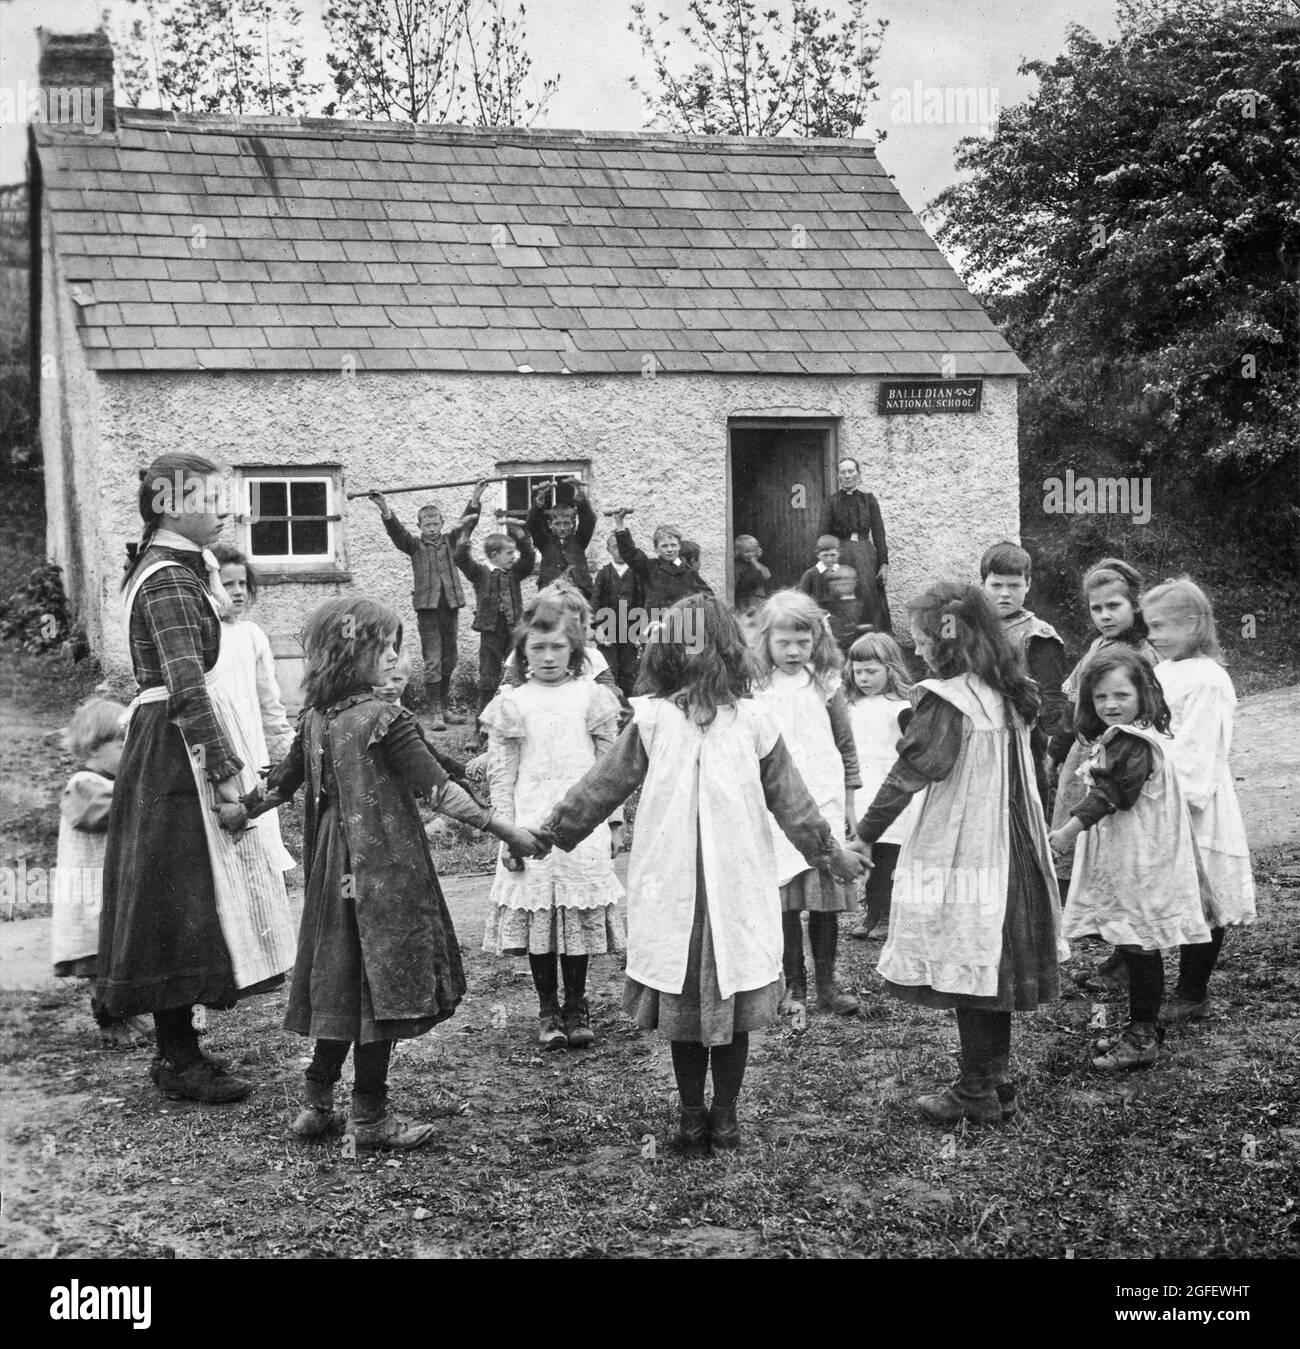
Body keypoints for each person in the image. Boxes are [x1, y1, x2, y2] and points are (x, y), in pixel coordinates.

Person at [522, 596, 866, 1156]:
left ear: (725, 650)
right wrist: (550, 832)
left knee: (733, 1010)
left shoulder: (754, 720)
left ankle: (725, 1115)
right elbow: (601, 786)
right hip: (673, 885)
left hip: (738, 886)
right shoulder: (653, 719)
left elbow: (794, 804)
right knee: (685, 1013)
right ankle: (689, 1115)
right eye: (682, 642)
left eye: (702, 642)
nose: (693, 653)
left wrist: (832, 853)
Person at [238, 597, 537, 1149]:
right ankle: (371, 1117)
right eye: (387, 649)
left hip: (332, 872)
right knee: (381, 985)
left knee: (340, 975)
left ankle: (316, 1102)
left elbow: (280, 785)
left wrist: (238, 811)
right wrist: (507, 831)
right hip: (386, 868)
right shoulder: (384, 718)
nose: (399, 661)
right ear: (352, 654)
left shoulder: (317, 719)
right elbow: (441, 793)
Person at [100, 453, 296, 1104]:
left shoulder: (177, 572)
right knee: (177, 894)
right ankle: (177, 1058)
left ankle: (179, 1048)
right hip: (174, 748)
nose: (224, 510)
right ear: (169, 504)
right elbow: (186, 688)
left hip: (173, 742)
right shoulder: (165, 580)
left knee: (182, 893)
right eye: (210, 499)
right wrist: (227, 776)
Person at [855, 582, 1065, 1125]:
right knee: (991, 966)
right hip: (1016, 848)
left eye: (923, 640)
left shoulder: (950, 703)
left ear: (947, 644)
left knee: (972, 963)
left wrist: (865, 833)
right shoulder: (1010, 691)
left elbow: (910, 773)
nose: (918, 650)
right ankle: (995, 1079)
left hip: (974, 848)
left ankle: (975, 1090)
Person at [1048, 648, 1212, 1070]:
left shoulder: (1132, 743)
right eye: (1101, 698)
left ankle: (1142, 1036)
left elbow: (1111, 794)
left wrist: (1068, 831)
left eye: (1121, 695)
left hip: (1141, 857)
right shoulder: (1119, 736)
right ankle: (1141, 1028)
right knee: (1132, 938)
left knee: (1139, 943)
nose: (1110, 705)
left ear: (1144, 694)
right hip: (1131, 853)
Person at [481, 598, 625, 1050]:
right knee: (540, 914)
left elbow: (611, 771)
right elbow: (502, 773)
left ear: (574, 650)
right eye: (537, 648)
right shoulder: (512, 703)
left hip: (583, 826)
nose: (547, 658)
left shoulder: (593, 698)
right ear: (522, 652)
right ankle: (548, 1008)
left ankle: (578, 1003)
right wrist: (505, 830)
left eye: (557, 648)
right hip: (529, 824)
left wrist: (615, 823)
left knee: (576, 917)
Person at [1144, 578, 1257, 1024]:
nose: (1152, 635)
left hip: (1193, 803)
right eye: (1148, 626)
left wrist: (1176, 798)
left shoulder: (1209, 679)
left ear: (1192, 623)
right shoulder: (1164, 670)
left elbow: (1199, 750)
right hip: (1156, 793)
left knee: (1202, 895)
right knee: (1170, 889)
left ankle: (1193, 991)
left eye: (1160, 626)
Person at [1048, 559, 1159, 993]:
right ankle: (1081, 939)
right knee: (1072, 844)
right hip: (1084, 756)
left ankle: (1127, 953)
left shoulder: (1143, 653)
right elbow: (1074, 704)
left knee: (1113, 852)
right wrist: (1057, 750)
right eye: (1097, 609)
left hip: (1119, 762)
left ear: (1135, 604)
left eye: (1114, 606)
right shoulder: (1096, 648)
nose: (1106, 616)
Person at [750, 590, 863, 1017]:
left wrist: (850, 804)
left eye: (803, 640)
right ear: (766, 641)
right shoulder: (755, 687)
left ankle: (828, 985)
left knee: (823, 900)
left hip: (823, 800)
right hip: (775, 805)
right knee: (785, 900)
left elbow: (845, 744)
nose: (794, 651)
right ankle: (793, 985)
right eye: (784, 642)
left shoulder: (825, 682)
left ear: (816, 638)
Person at [51, 698, 151, 1048]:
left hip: (108, 891)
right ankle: (110, 1024)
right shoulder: (83, 784)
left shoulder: (112, 782)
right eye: (123, 743)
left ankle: (126, 1012)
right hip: (89, 894)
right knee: (97, 962)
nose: (131, 749)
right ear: (94, 747)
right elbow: (103, 813)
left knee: (117, 960)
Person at [213, 545, 296, 875]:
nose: (236, 592)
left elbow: (269, 703)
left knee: (254, 838)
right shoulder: (204, 634)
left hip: (249, 742)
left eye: (242, 584)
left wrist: (292, 753)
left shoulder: (252, 635)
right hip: (214, 741)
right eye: (227, 584)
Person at [369, 485, 479, 731]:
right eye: (426, 523)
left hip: (450, 607)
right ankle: (434, 712)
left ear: (442, 522)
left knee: (450, 657)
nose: (431, 525)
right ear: (419, 526)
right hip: (427, 611)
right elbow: (396, 532)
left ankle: (445, 706)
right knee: (433, 659)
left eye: (435, 521)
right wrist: (384, 507)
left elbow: (468, 524)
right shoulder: (414, 546)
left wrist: (475, 498)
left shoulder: (452, 541)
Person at [980, 541, 1070, 816]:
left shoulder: (1038, 635)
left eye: (1014, 586)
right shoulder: (971, 629)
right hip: (979, 742)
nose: (1004, 594)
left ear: (1028, 584)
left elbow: (1051, 703)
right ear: (983, 583)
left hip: (1023, 743)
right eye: (996, 586)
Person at [842, 632, 921, 942]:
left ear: (890, 669)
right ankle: (873, 912)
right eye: (858, 671)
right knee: (869, 852)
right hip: (864, 789)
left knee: (890, 853)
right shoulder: (850, 706)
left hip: (892, 791)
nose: (864, 678)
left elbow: (915, 749)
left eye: (871, 671)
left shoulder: (900, 707)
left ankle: (889, 915)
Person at [453, 513, 536, 717]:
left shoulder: (515, 573)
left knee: (518, 671)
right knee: (488, 678)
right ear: (494, 555)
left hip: (514, 631)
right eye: (509, 553)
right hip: (491, 632)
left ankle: (518, 716)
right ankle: (481, 726)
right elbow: (461, 559)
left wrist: (518, 534)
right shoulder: (480, 573)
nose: (513, 557)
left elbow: (529, 558)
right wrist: (464, 533)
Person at [818, 457, 890, 633]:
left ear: (858, 474)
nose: (847, 475)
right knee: (845, 593)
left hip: (866, 553)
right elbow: (823, 535)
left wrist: (884, 564)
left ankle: (874, 638)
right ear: (838, 476)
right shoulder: (831, 502)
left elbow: (879, 533)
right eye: (843, 472)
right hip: (841, 554)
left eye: (851, 471)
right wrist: (825, 565)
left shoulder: (868, 500)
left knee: (868, 594)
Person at [611, 510, 713, 613]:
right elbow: (629, 553)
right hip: (655, 624)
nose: (669, 549)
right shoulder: (649, 568)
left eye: (673, 545)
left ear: (679, 546)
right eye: (664, 546)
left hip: (682, 625)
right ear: (656, 549)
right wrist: (620, 525)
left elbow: (709, 598)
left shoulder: (690, 573)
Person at [591, 532, 645, 698]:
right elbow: (595, 604)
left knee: (630, 672)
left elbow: (643, 603)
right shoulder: (604, 573)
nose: (620, 550)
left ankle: (630, 708)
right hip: (609, 632)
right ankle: (614, 708)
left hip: (630, 632)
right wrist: (598, 630)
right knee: (610, 670)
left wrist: (639, 633)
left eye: (623, 547)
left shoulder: (636, 574)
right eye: (615, 547)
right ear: (608, 549)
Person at [527, 478, 596, 597]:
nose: (562, 528)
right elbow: (532, 523)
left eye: (566, 523)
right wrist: (540, 499)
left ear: (573, 523)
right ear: (549, 524)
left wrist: (580, 494)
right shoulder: (544, 542)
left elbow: (588, 520)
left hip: (579, 593)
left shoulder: (579, 540)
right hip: (551, 594)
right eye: (558, 524)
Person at [798, 534, 862, 650]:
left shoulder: (843, 574)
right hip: (819, 619)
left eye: (833, 555)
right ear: (817, 554)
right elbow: (801, 599)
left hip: (840, 620)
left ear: (839, 553)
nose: (829, 559)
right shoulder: (810, 575)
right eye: (825, 555)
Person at [733, 535, 771, 609]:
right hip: (743, 599)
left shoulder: (758, 565)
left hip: (757, 597)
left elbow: (766, 575)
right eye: (747, 552)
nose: (750, 554)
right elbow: (734, 582)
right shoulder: (737, 566)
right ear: (738, 552)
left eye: (753, 551)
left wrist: (755, 564)